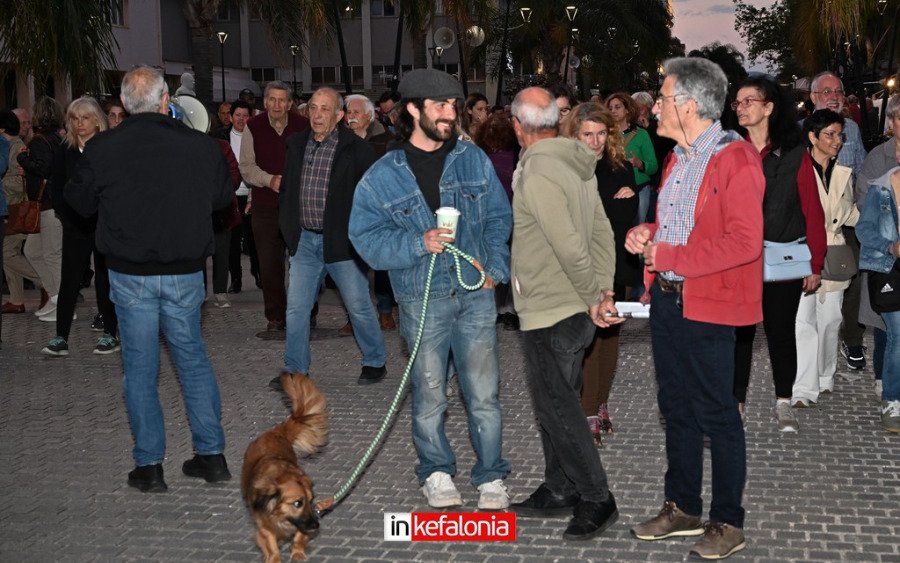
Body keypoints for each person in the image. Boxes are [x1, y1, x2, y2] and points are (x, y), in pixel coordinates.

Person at [64, 65, 234, 493]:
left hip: (130, 272)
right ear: (164, 101)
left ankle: (150, 467)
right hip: (184, 272)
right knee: (192, 362)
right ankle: (211, 457)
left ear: (123, 105)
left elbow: (79, 202)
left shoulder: (102, 148)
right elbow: (220, 199)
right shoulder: (202, 146)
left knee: (140, 370)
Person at [349, 69, 512, 510]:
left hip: (475, 294)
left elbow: (499, 217)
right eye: (439, 106)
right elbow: (364, 238)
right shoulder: (383, 174)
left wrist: (496, 266)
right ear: (413, 110)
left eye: (453, 106)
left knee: (483, 393)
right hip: (422, 298)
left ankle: (491, 477)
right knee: (430, 393)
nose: (449, 114)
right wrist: (415, 243)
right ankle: (436, 471)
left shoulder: (472, 158)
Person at [625, 57, 765, 560]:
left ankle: (728, 520)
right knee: (676, 409)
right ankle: (682, 507)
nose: (654, 106)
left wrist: (674, 255)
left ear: (687, 105)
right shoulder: (677, 159)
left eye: (661, 98)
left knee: (718, 414)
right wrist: (650, 235)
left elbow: (746, 243)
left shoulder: (736, 159)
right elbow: (679, 228)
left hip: (710, 304)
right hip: (668, 301)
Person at [506, 87, 622, 541]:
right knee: (562, 400)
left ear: (518, 126)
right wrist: (604, 287)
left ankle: (596, 495)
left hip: (553, 307)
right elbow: (600, 231)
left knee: (557, 407)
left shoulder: (537, 171)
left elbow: (569, 244)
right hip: (571, 305)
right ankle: (560, 486)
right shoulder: (577, 164)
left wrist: (597, 295)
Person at [731, 76, 826, 432]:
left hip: (783, 257)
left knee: (781, 332)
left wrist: (815, 262)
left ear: (769, 107)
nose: (741, 108)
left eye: (749, 101)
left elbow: (811, 209)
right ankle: (734, 403)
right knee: (738, 334)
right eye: (737, 103)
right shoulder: (730, 150)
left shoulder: (794, 153)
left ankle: (784, 401)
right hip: (738, 260)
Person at [280, 87, 387, 386]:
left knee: (358, 306)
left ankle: (375, 360)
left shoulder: (357, 150)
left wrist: (362, 235)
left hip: (342, 243)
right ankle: (295, 370)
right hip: (304, 241)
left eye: (324, 109)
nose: (316, 114)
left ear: (339, 115)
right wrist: (288, 227)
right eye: (313, 108)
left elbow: (372, 197)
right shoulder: (296, 144)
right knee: (297, 309)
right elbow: (288, 188)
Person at [564, 102, 638, 443]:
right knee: (589, 342)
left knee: (610, 341)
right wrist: (614, 206)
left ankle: (601, 403)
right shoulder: (567, 169)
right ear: (574, 135)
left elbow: (624, 220)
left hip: (617, 266)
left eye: (601, 133)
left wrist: (611, 210)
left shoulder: (619, 167)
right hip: (581, 268)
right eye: (587, 134)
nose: (594, 141)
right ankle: (587, 410)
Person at [40, 97, 120, 356]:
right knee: (70, 281)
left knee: (105, 280)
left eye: (84, 117)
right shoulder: (65, 151)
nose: (79, 123)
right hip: (75, 226)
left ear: (97, 120)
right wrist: (68, 218)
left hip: (104, 224)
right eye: (74, 118)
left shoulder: (108, 148)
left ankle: (110, 333)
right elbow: (58, 187)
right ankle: (60, 337)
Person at [790, 109, 859, 407]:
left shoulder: (843, 173)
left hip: (835, 254)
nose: (837, 141)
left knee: (831, 320)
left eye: (840, 135)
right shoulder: (796, 170)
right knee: (803, 321)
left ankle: (825, 374)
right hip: (802, 253)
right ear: (812, 137)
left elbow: (850, 214)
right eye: (830, 134)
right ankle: (803, 389)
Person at [238, 81, 310, 339]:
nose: (277, 105)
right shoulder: (253, 127)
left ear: (290, 103)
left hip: (300, 206)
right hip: (265, 206)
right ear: (264, 102)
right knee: (269, 265)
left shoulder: (303, 126)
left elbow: (312, 161)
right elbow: (246, 166)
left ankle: (305, 315)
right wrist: (269, 180)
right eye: (272, 99)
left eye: (282, 100)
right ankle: (276, 317)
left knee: (304, 263)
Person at [809, 71, 869, 372]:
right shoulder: (798, 132)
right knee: (815, 286)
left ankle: (852, 338)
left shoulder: (854, 131)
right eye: (826, 91)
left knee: (853, 280)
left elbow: (861, 172)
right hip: (811, 223)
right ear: (813, 98)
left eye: (838, 91)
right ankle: (813, 345)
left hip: (846, 221)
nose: (833, 96)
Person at [856, 94, 900, 399]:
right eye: (899, 118)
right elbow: (864, 203)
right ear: (892, 122)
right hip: (886, 256)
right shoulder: (877, 158)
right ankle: (887, 383)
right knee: (889, 324)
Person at [856, 166, 900, 432]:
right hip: (890, 269)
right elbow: (863, 230)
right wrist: (890, 246)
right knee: (898, 334)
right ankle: (892, 400)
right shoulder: (881, 188)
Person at [17, 96, 65, 320]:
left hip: (48, 206)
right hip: (54, 205)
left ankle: (63, 305)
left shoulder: (39, 141)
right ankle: (56, 297)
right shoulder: (59, 138)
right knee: (33, 251)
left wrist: (23, 160)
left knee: (51, 255)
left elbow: (44, 169)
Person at [1, 109, 44, 314]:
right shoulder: (10, 144)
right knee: (10, 252)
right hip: (12, 208)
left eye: (28, 123)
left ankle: (45, 281)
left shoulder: (16, 146)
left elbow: (20, 183)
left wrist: (2, 185)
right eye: (23, 122)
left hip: (16, 208)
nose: (26, 126)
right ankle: (17, 300)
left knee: (7, 254)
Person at [215, 99, 259, 294]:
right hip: (230, 197)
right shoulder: (220, 138)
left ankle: (258, 273)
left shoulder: (257, 137)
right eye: (238, 115)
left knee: (254, 238)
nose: (242, 119)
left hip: (251, 195)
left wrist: (253, 194)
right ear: (231, 117)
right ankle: (236, 279)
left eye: (245, 115)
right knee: (232, 241)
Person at [606, 92, 658, 226]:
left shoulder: (641, 134)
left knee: (637, 229)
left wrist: (639, 163)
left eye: (617, 107)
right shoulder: (604, 134)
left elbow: (653, 166)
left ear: (627, 110)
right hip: (613, 189)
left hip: (639, 189)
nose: (613, 111)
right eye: (610, 108)